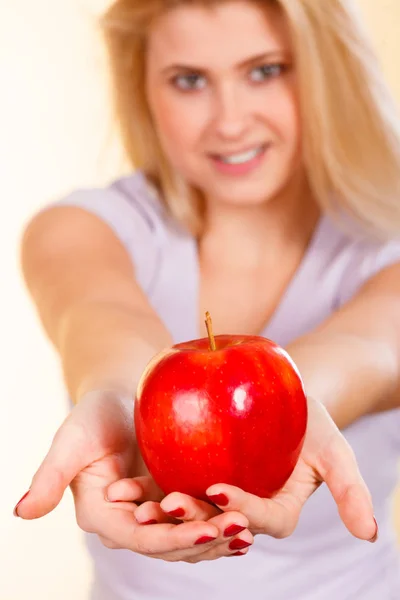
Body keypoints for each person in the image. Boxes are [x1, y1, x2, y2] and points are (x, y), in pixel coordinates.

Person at [14, 0, 400, 598]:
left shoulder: (387, 248)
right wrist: (120, 401)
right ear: (143, 87)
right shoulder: (81, 228)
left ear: (329, 71)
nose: (230, 122)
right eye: (189, 80)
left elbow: (367, 347)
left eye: (266, 70)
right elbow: (102, 317)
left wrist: (283, 412)